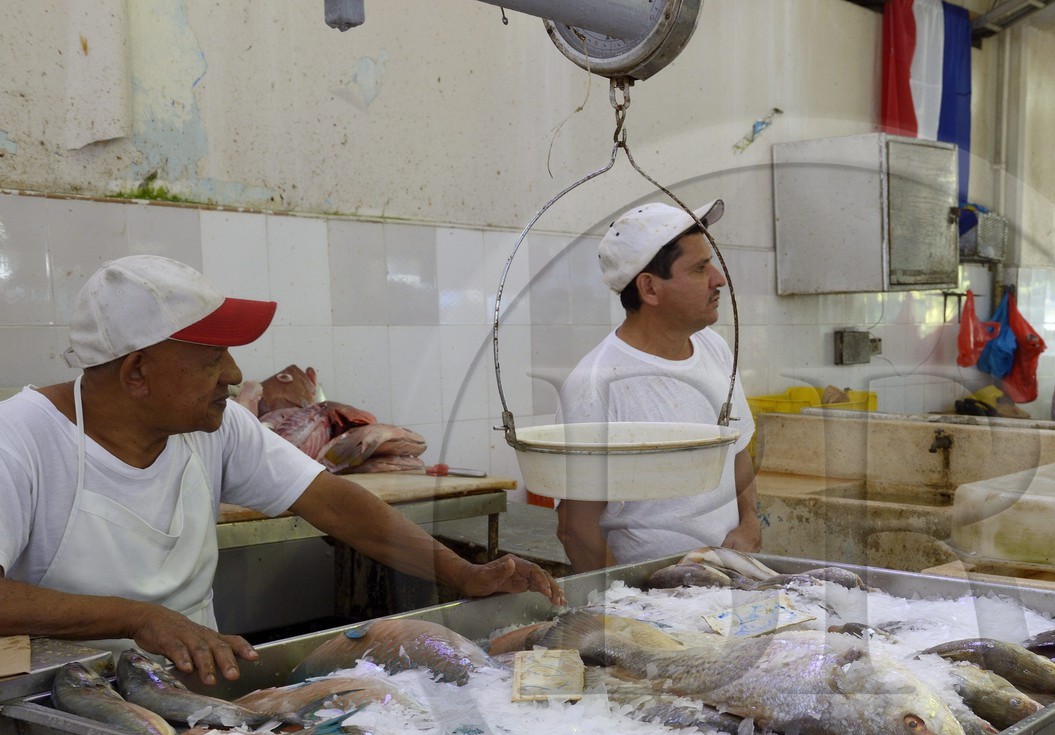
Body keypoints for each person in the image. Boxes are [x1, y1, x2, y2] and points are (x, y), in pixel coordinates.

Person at [0, 255, 564, 685]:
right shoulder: (19, 439)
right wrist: (137, 619)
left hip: (200, 684)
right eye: (210, 358)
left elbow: (335, 503)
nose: (234, 372)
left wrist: (461, 574)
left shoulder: (216, 427)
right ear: (137, 373)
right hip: (68, 694)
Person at [556, 199, 759, 572]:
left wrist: (749, 522)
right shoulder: (596, 383)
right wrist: (629, 600)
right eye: (700, 269)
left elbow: (739, 451)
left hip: (729, 575)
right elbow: (575, 527)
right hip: (652, 586)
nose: (719, 279)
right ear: (649, 288)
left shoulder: (714, 348)